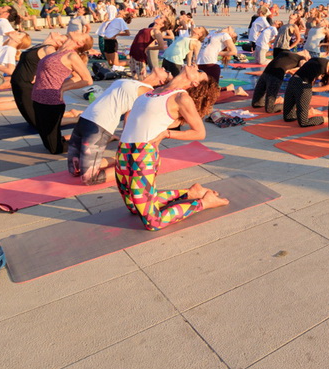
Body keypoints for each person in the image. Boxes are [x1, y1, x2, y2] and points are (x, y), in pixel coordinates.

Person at [116, 66, 224, 230]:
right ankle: (191, 193)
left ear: (195, 82)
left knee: (153, 222)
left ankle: (205, 202)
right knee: (133, 207)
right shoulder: (156, 90)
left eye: (200, 72)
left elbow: (199, 132)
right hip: (123, 152)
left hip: (142, 156)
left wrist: (167, 133)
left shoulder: (181, 98)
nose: (195, 66)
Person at [68, 67, 172, 185]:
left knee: (89, 179)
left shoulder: (147, 93)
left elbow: (133, 115)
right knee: (74, 170)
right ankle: (118, 160)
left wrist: (128, 141)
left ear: (162, 81)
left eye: (167, 72)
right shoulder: (135, 81)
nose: (164, 67)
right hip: (85, 119)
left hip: (99, 126)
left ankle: (127, 165)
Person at [32, 33, 94, 154]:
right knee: (46, 138)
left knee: (54, 149)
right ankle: (72, 138)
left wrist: (63, 87)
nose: (79, 31)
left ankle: (93, 139)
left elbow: (87, 80)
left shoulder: (72, 56)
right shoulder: (58, 51)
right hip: (37, 96)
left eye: (82, 34)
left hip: (51, 100)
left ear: (80, 43)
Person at [11, 31, 69, 128]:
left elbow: (56, 66)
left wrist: (39, 75)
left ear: (59, 43)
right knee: (36, 118)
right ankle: (71, 113)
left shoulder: (49, 49)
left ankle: (77, 119)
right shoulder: (41, 45)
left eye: (61, 35)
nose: (59, 32)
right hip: (20, 85)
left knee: (38, 122)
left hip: (27, 86)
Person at [282, 55, 329, 127]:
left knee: (303, 122)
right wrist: (310, 89)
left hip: (299, 83)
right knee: (288, 117)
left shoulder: (317, 60)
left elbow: (311, 75)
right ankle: (308, 112)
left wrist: (309, 89)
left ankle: (324, 119)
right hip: (295, 82)